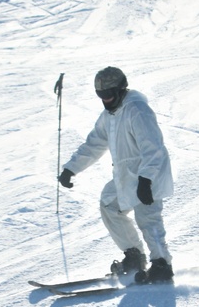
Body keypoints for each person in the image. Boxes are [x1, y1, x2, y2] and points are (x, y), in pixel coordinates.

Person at [58, 67, 175, 284]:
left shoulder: (136, 109)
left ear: (121, 89)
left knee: (148, 220)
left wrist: (146, 179)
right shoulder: (109, 116)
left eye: (109, 93)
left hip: (148, 175)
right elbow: (94, 143)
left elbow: (154, 147)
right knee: (109, 205)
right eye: (101, 95)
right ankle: (134, 256)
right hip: (127, 177)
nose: (106, 98)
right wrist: (71, 168)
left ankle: (162, 264)